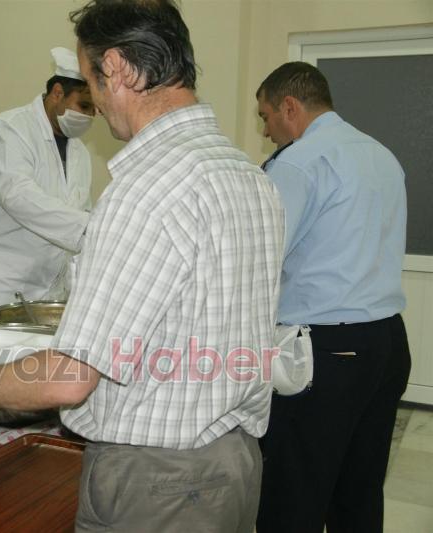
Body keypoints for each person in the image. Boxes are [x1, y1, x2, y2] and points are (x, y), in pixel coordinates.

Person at [0, 1, 284, 531]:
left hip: (156, 482)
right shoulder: (248, 174)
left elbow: (69, 378)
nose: (98, 103)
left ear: (120, 69)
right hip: (234, 464)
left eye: (93, 81)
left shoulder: (146, 189)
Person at [254, 61, 411, 533]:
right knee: (358, 490)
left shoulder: (302, 161)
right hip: (386, 344)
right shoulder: (381, 154)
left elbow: (264, 253)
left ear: (290, 106)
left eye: (265, 117)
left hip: (325, 350)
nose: (266, 131)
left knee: (293, 491)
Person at [0, 47, 96, 332]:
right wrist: (91, 228)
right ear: (58, 93)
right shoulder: (9, 129)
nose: (90, 116)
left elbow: (76, 222)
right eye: (84, 105)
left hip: (43, 295)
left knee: (27, 374)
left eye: (96, 109)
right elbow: (18, 196)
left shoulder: (80, 154)